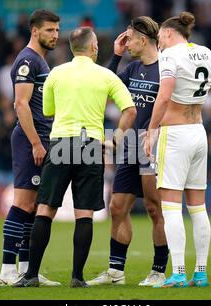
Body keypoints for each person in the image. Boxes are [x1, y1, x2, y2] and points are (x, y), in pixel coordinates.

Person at [12, 26, 136, 288]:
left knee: (45, 209)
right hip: (90, 145)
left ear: (71, 48)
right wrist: (116, 138)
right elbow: (130, 110)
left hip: (60, 143)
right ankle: (77, 278)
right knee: (84, 214)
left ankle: (32, 275)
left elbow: (47, 110)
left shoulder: (56, 73)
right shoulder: (105, 75)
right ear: (94, 48)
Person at [87, 16, 169, 287]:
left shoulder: (166, 69)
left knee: (154, 208)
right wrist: (117, 55)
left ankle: (159, 271)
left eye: (130, 38)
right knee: (117, 206)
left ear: (143, 40)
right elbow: (104, 87)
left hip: (153, 145)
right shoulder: (132, 69)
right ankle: (115, 272)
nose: (127, 42)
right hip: (129, 146)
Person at [144, 12, 211, 288]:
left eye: (160, 36)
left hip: (175, 134)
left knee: (171, 207)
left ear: (170, 34)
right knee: (198, 207)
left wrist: (151, 130)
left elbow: (164, 95)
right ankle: (201, 272)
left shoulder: (170, 56)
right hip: (199, 131)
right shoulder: (206, 53)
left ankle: (179, 273)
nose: (158, 41)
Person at [0, 9, 61, 287]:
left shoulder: (41, 62)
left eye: (57, 30)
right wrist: (35, 142)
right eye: (49, 30)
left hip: (42, 138)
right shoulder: (27, 60)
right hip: (29, 139)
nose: (55, 35)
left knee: (34, 207)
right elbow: (20, 104)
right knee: (23, 204)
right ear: (35, 31)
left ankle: (26, 271)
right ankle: (6, 270)